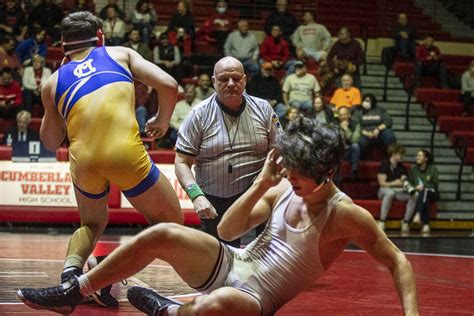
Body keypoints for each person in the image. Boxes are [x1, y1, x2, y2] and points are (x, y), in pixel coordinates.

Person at [17, 117, 419, 316]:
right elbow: (227, 231)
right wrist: (263, 184)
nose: (291, 179)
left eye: (300, 177)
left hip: (253, 297)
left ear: (329, 173)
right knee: (166, 233)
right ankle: (76, 292)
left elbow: (396, 260)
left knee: (221, 303)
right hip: (233, 262)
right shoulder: (280, 184)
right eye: (289, 172)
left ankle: (169, 310)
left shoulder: (346, 215)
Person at [20, 11, 183, 308]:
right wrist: (162, 118)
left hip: (83, 160)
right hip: (124, 152)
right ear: (100, 37)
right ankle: (103, 269)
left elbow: (49, 141)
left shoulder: (52, 82)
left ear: (63, 45)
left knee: (92, 223)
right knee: (171, 224)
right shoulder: (120, 54)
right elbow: (169, 85)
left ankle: (69, 279)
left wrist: (55, 101)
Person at [174, 56, 281, 248]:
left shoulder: (264, 109)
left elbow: (278, 149)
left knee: (269, 256)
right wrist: (197, 196)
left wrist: (268, 182)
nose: (231, 84)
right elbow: (182, 162)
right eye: (224, 79)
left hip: (257, 194)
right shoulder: (198, 115)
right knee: (220, 263)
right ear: (214, 81)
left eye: (236, 78)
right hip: (215, 199)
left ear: (245, 79)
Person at [376, 144, 417, 232]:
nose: (403, 156)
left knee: (414, 196)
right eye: (401, 154)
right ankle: (382, 220)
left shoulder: (402, 168)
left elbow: (404, 180)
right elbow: (382, 183)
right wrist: (395, 183)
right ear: (394, 154)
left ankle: (406, 221)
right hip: (383, 191)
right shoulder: (384, 165)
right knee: (390, 193)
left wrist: (404, 182)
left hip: (397, 191)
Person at [352, 93, 397, 158]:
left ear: (373, 102)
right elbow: (354, 124)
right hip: (365, 134)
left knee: (389, 134)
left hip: (379, 133)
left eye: (368, 101)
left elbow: (388, 121)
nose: (365, 102)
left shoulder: (380, 110)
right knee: (361, 142)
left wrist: (378, 129)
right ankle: (363, 159)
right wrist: (366, 133)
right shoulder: (358, 111)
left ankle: (391, 157)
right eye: (364, 100)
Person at [406, 149, 439, 234]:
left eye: (420, 156)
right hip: (420, 193)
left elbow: (435, 184)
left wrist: (424, 186)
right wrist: (416, 187)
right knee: (425, 198)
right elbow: (409, 183)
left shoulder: (432, 169)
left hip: (432, 192)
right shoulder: (413, 170)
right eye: (417, 156)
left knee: (425, 192)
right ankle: (426, 224)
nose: (417, 157)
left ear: (426, 158)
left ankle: (418, 214)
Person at [163, 83, 201, 148]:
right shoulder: (178, 105)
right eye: (187, 92)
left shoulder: (201, 104)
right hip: (180, 130)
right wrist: (182, 128)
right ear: (184, 94)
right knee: (173, 135)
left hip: (197, 129)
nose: (188, 95)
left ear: (195, 94)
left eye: (191, 92)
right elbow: (172, 121)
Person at [338, 106, 361, 180]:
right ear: (338, 116)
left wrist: (346, 129)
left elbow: (354, 140)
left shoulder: (356, 124)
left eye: (345, 114)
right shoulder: (334, 123)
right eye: (341, 115)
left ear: (349, 115)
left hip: (348, 152)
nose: (343, 117)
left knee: (355, 146)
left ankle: (354, 171)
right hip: (337, 152)